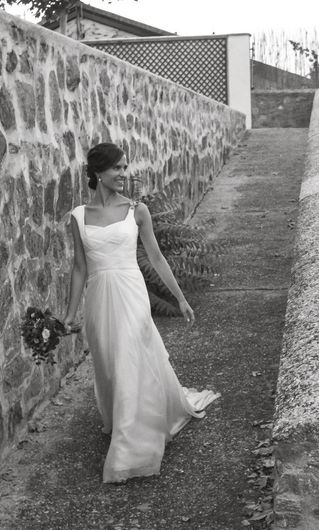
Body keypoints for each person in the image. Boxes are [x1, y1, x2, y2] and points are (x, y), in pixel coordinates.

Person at [62, 142, 220, 484]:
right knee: (110, 362)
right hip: (99, 300)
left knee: (130, 357)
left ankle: (130, 448)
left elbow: (157, 258)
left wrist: (179, 299)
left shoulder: (138, 211)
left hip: (132, 296)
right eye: (117, 168)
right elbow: (78, 267)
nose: (123, 174)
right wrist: (69, 315)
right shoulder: (78, 217)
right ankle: (122, 419)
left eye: (124, 168)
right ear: (98, 172)